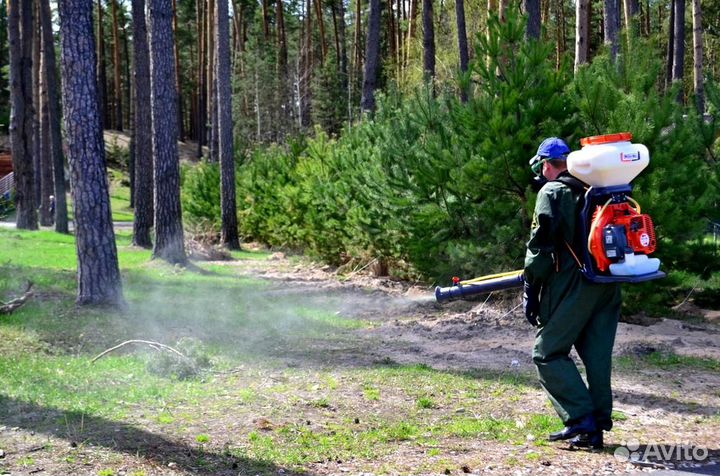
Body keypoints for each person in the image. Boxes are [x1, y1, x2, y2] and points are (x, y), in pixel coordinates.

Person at [523, 137, 622, 450]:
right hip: (607, 283)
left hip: (574, 284)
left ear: (547, 165)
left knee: (547, 352)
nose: (541, 173)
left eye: (541, 166)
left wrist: (531, 285)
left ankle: (580, 419)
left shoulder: (553, 192)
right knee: (596, 356)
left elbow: (540, 246)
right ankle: (595, 427)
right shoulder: (597, 188)